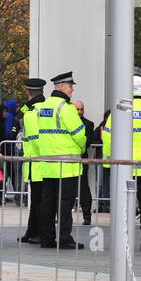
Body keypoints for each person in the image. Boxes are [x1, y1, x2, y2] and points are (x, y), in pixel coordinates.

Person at [98, 73, 141, 251]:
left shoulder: (121, 108)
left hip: (124, 166)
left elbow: (108, 136)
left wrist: (108, 161)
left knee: (123, 204)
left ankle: (122, 240)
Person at [34, 71, 88, 250]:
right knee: (65, 203)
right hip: (66, 165)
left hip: (48, 164)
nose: (72, 90)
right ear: (61, 87)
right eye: (70, 86)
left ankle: (46, 238)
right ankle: (64, 238)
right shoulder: (66, 108)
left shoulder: (42, 106)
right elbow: (79, 133)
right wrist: (81, 149)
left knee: (48, 202)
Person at [16, 78, 48, 243]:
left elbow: (35, 139)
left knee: (38, 201)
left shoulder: (32, 111)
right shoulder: (43, 107)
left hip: (36, 163)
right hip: (40, 163)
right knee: (38, 200)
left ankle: (37, 233)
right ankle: (32, 231)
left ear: (28, 91)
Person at [73, 99, 96, 226]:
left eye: (81, 109)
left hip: (82, 159)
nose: (80, 112)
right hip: (69, 159)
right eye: (77, 109)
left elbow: (87, 142)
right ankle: (61, 215)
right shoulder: (68, 121)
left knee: (83, 189)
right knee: (67, 188)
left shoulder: (88, 124)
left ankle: (87, 216)